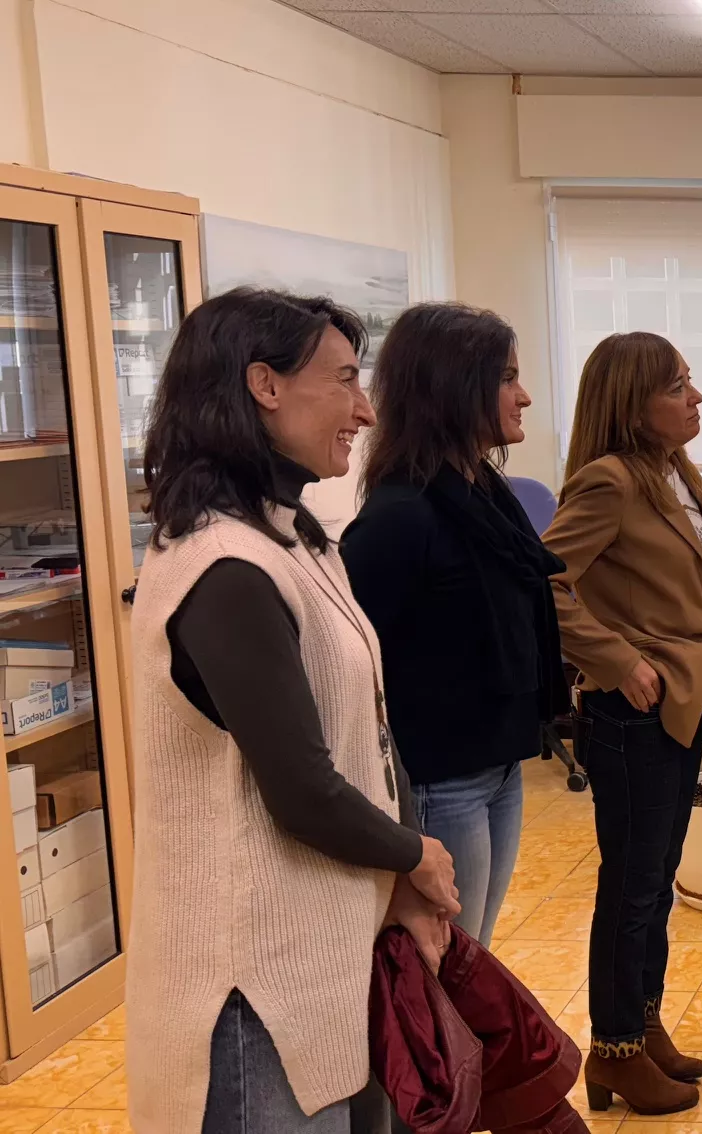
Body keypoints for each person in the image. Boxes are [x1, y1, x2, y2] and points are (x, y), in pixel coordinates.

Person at [126, 288, 460, 1133]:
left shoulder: (295, 537)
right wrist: (413, 855)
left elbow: (368, 733)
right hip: (250, 989)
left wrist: (401, 875)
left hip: (329, 951)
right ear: (264, 386)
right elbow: (302, 787)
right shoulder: (223, 566)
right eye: (344, 379)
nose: (365, 408)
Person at [545, 330, 702, 1114]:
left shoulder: (668, 471)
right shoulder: (607, 482)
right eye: (678, 386)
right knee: (630, 888)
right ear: (633, 405)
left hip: (678, 698)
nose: (696, 398)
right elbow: (548, 584)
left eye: (691, 382)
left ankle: (643, 1024)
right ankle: (612, 1052)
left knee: (655, 882)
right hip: (630, 710)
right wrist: (617, 660)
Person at [340, 303, 566, 948]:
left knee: (473, 953)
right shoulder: (402, 515)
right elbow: (354, 667)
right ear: (451, 387)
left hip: (498, 761)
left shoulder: (487, 497)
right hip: (442, 780)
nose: (523, 397)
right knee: (448, 958)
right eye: (506, 379)